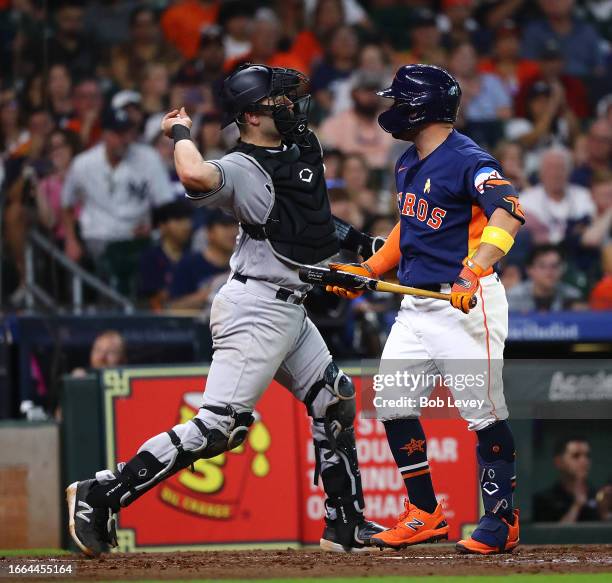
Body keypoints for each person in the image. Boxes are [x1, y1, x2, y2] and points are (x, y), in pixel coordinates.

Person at [66, 64, 384, 558]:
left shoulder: (302, 149)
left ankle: (345, 525)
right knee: (220, 427)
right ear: (253, 116)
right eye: (280, 102)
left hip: (291, 309)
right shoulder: (240, 166)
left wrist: (364, 244)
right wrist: (180, 132)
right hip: (255, 308)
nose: (293, 107)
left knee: (334, 399)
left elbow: (313, 219)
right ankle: (101, 493)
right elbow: (193, 172)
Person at [328, 64, 525, 554]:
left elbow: (510, 211)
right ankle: (424, 513)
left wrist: (474, 269)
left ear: (423, 107)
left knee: (483, 415)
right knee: (392, 405)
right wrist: (371, 270)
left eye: (399, 101)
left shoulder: (468, 158)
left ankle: (501, 520)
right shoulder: (406, 162)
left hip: (465, 303)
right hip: (417, 304)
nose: (392, 110)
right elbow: (408, 228)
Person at [61, 107, 174, 266]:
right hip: (98, 238)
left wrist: (153, 227)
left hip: (137, 239)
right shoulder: (83, 163)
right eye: (118, 134)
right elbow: (67, 203)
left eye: (127, 133)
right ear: (104, 134)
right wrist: (71, 240)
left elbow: (165, 202)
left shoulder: (148, 158)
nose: (125, 139)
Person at [519, 148, 595, 245]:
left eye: (560, 168)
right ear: (541, 173)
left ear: (569, 172)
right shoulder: (525, 200)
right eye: (550, 168)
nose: (555, 174)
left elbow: (589, 227)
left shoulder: (583, 196)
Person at [168, 209, 237, 311]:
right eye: (225, 225)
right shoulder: (189, 264)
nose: (233, 231)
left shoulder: (242, 265)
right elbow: (172, 307)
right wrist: (208, 295)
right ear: (209, 232)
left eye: (235, 225)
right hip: (196, 325)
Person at [137, 200, 194, 311]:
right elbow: (155, 300)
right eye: (179, 220)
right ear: (162, 226)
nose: (186, 226)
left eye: (188, 220)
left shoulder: (194, 256)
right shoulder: (151, 258)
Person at [533, 437, 602, 522]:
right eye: (576, 456)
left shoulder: (598, 496)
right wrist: (577, 505)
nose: (584, 461)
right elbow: (553, 535)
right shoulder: (544, 500)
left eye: (587, 456)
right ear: (558, 462)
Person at [506, 244, 582, 312]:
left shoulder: (572, 296)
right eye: (542, 266)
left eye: (554, 266)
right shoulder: (513, 297)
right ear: (529, 270)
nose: (549, 272)